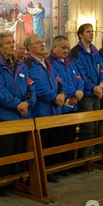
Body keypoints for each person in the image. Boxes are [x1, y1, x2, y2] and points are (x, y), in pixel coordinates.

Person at [0, 31, 36, 194]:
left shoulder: (21, 65)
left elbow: (31, 87)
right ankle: (1, 184)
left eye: (12, 42)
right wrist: (19, 105)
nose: (12, 45)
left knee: (20, 150)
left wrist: (28, 103)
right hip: (5, 116)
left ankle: (18, 180)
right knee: (5, 152)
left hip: (23, 115)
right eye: (8, 43)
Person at [24, 33, 65, 183]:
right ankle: (40, 174)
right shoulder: (28, 65)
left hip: (54, 109)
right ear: (30, 47)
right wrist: (55, 97)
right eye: (38, 43)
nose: (42, 44)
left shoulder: (47, 63)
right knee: (42, 144)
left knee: (53, 142)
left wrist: (62, 94)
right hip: (40, 111)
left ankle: (50, 171)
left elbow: (57, 81)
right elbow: (38, 88)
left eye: (42, 42)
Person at [68, 23, 103, 159]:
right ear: (81, 34)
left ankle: (90, 156)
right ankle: (82, 158)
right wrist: (93, 87)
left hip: (97, 93)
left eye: (92, 31)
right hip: (87, 95)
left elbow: (101, 68)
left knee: (96, 127)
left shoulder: (94, 50)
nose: (92, 34)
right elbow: (81, 74)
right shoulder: (75, 52)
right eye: (88, 32)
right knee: (88, 128)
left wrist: (101, 85)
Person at [48, 35, 84, 173]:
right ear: (55, 47)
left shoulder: (70, 63)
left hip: (72, 105)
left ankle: (68, 165)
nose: (66, 51)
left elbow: (79, 79)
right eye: (63, 48)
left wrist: (79, 91)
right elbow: (58, 83)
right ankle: (58, 167)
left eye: (68, 48)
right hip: (60, 107)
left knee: (70, 137)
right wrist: (74, 92)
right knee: (59, 139)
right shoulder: (50, 63)